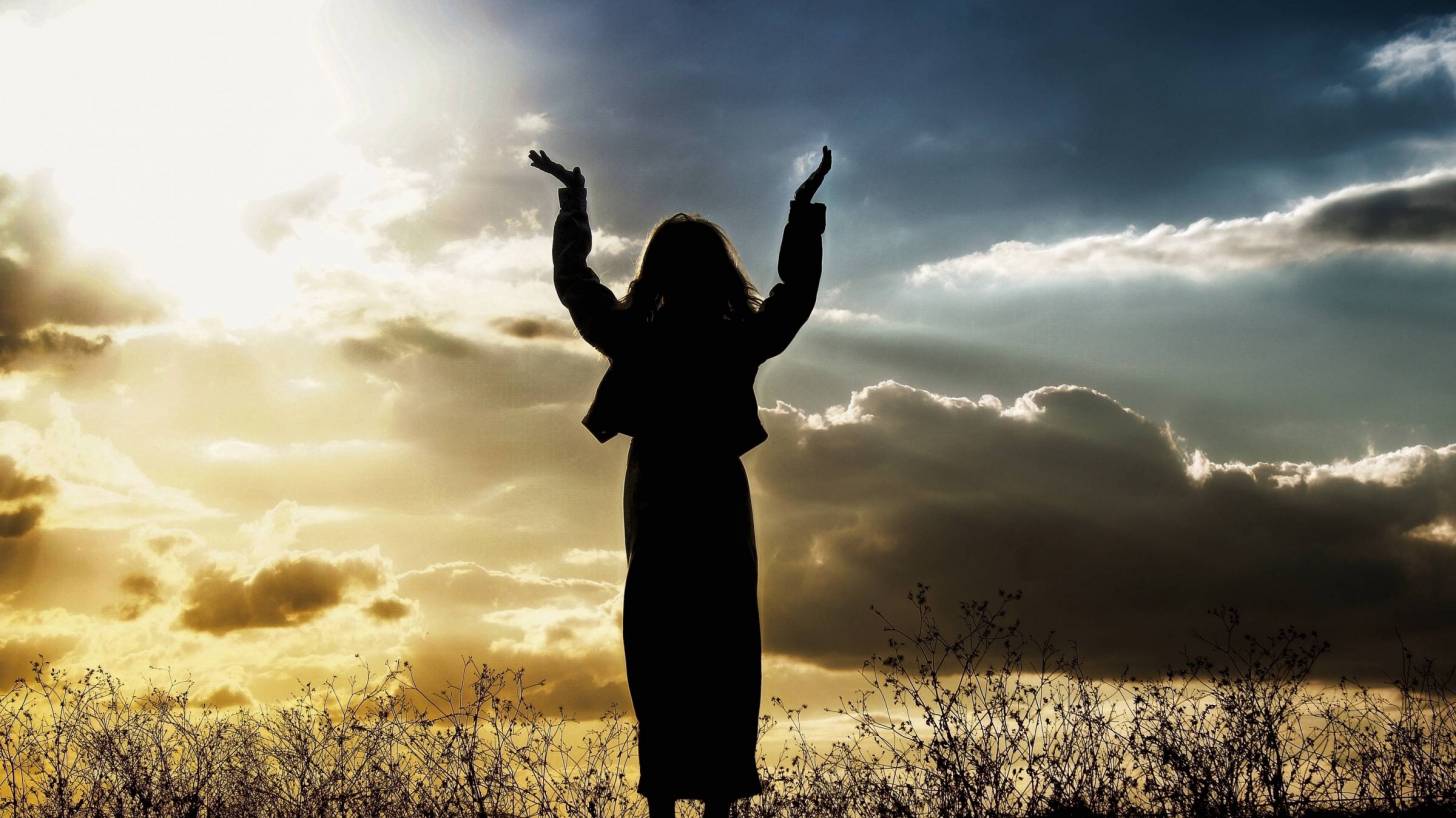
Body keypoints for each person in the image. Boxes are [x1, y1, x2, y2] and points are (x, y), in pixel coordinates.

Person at [528, 145, 830, 818]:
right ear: (720, 270)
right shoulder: (736, 337)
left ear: (657, 269)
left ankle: (663, 800)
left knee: (659, 638)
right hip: (716, 487)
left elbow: (574, 283)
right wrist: (801, 212)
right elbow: (796, 297)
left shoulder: (635, 334)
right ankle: (720, 800)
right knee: (724, 637)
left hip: (659, 485)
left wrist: (573, 206)